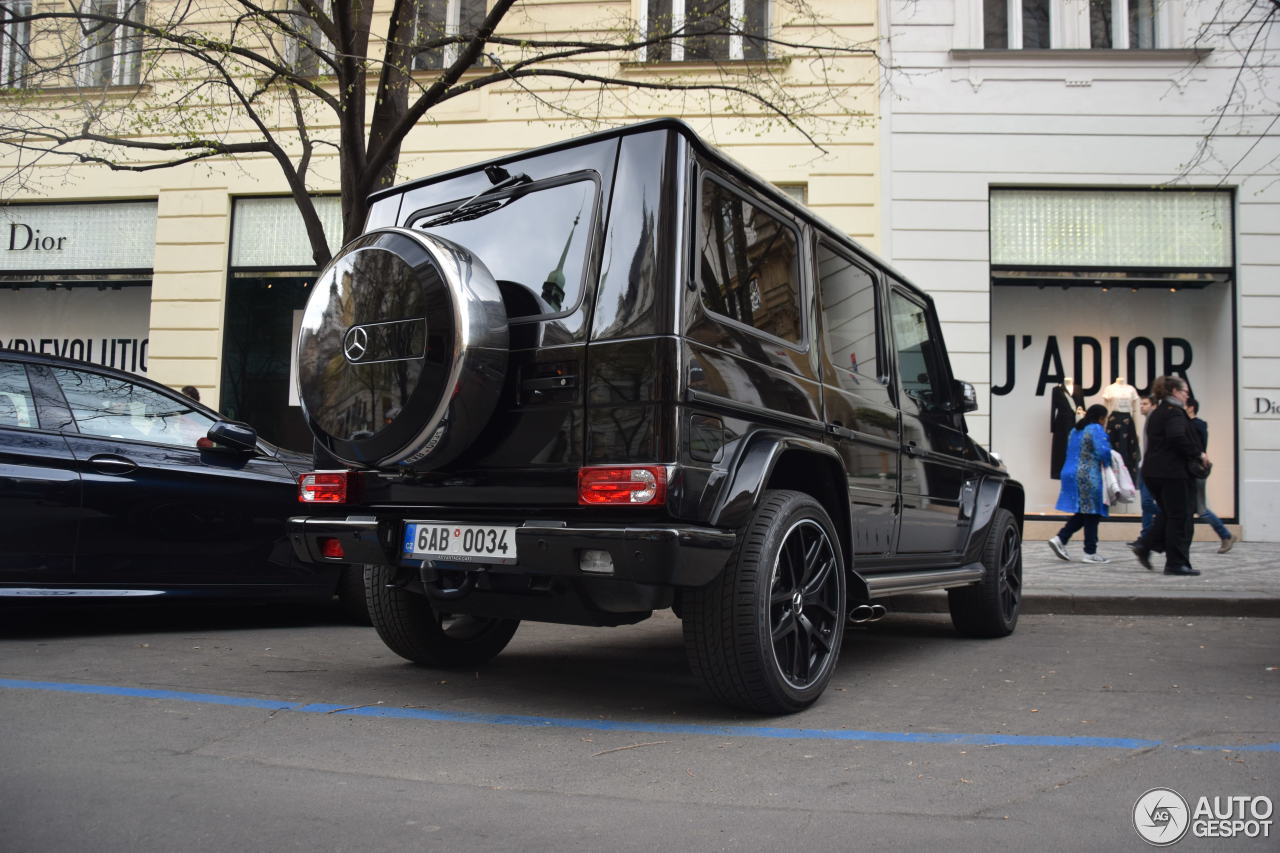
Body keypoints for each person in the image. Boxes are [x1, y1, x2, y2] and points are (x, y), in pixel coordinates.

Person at [1130, 375, 1209, 576]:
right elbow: (1177, 437)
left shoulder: (1158, 412)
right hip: (1171, 473)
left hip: (1154, 472)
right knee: (1179, 517)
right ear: (1174, 391)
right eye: (1185, 392)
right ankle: (1175, 563)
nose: (1186, 396)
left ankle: (1145, 546)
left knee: (1167, 513)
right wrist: (1198, 453)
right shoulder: (1174, 414)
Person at [1048, 404, 1113, 563]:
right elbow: (1103, 451)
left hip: (1071, 472)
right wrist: (1112, 463)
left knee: (1086, 511)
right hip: (1088, 474)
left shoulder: (1075, 430)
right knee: (1092, 512)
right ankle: (1089, 552)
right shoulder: (1095, 429)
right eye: (1105, 419)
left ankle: (1061, 538)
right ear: (1101, 418)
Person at [1186, 397, 1236, 553]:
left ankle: (1226, 535)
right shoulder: (1200, 425)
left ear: (1191, 408)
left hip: (1195, 469)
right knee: (1192, 508)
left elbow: (1195, 447)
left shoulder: (1194, 425)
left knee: (1201, 509)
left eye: (1185, 406)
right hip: (1197, 468)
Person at [1127, 394, 1159, 547]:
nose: (1141, 407)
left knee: (1147, 503)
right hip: (1145, 466)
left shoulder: (1154, 420)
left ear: (1154, 405)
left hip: (1152, 468)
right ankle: (1145, 537)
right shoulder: (1148, 421)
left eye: (1145, 404)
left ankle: (1168, 517)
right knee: (1145, 504)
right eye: (1141, 404)